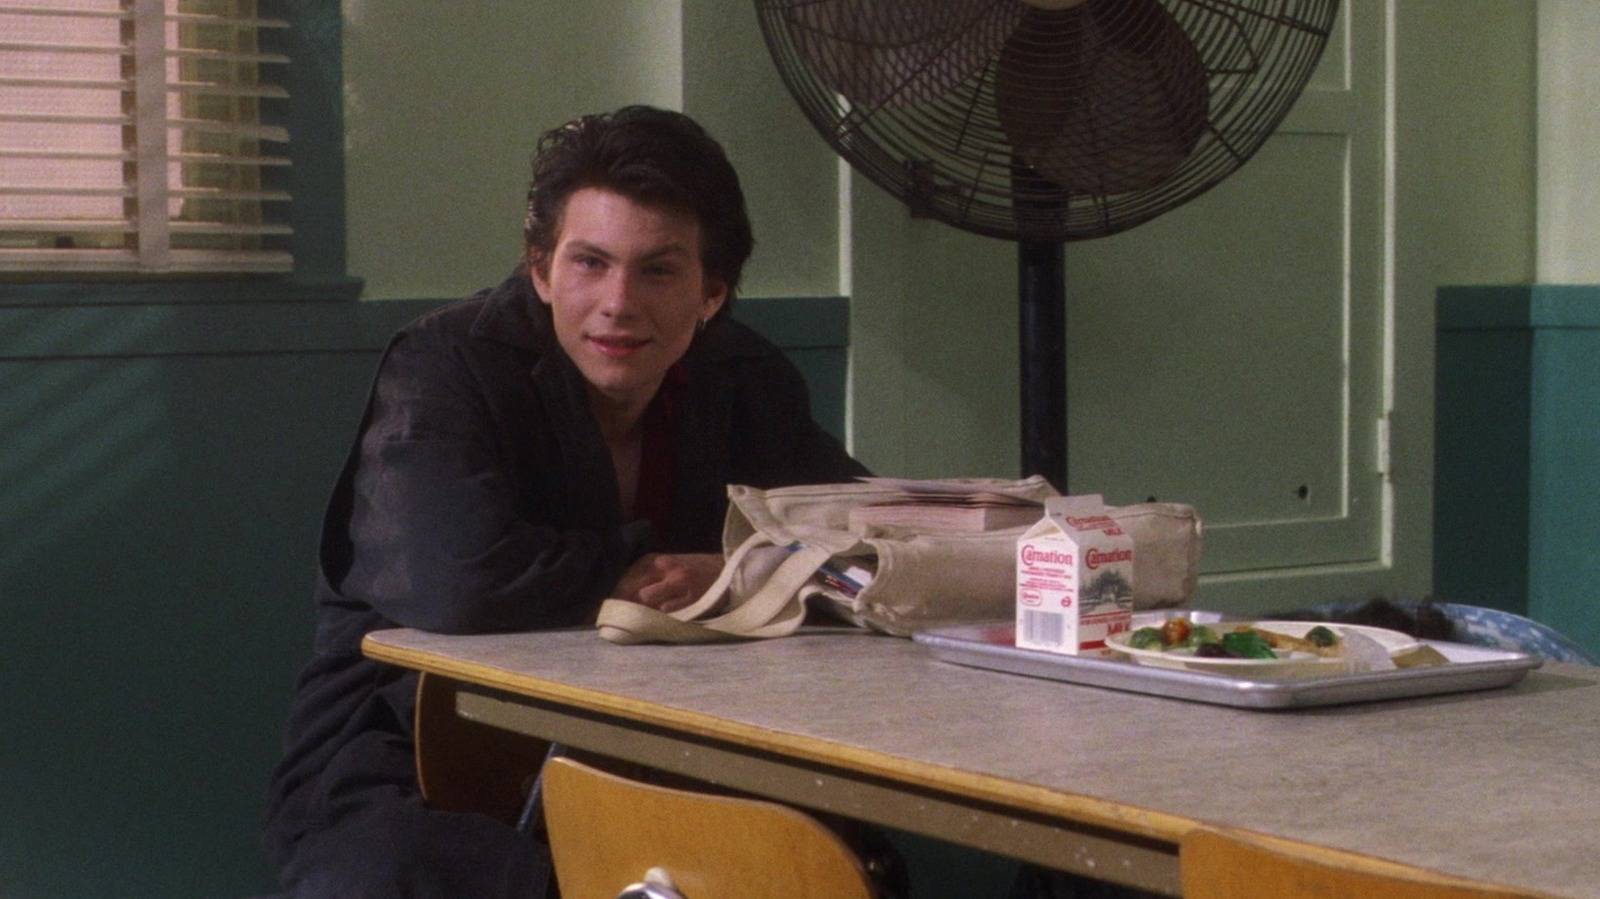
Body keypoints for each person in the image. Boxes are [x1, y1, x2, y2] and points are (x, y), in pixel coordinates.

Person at [263, 105, 869, 898]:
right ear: (541, 270)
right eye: (590, 263)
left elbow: (862, 534)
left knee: (830, 858)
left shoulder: (743, 377)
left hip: (661, 748)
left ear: (711, 293)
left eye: (658, 271)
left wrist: (743, 571)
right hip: (409, 749)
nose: (618, 302)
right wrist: (648, 569)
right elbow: (459, 579)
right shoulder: (446, 365)